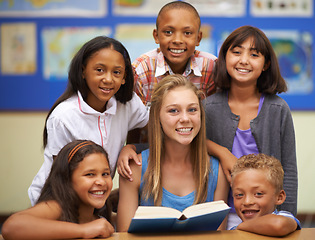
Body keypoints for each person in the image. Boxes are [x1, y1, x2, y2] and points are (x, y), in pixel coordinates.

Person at [28, 36, 149, 206]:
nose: (108, 79)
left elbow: (155, 131)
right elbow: (60, 178)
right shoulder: (64, 116)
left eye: (116, 72)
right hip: (56, 199)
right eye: (99, 70)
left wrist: (132, 147)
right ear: (83, 71)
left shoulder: (128, 104)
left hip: (95, 198)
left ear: (124, 77)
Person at [204, 25, 298, 229]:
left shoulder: (278, 108)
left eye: (254, 54)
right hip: (220, 213)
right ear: (224, 58)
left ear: (266, 64)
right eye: (236, 52)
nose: (244, 60)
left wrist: (287, 214)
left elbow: (288, 168)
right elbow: (190, 144)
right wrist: (221, 152)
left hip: (267, 213)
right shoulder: (209, 107)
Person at [117, 0, 217, 180]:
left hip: (198, 154)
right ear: (156, 36)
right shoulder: (141, 69)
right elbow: (134, 125)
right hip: (152, 155)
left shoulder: (211, 67)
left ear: (198, 38)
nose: (177, 40)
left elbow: (214, 117)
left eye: (187, 33)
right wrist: (132, 153)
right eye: (168, 32)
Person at [116, 74, 229, 232]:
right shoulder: (134, 168)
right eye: (173, 111)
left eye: (192, 110)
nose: (185, 118)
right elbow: (124, 236)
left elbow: (219, 236)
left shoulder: (217, 172)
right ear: (157, 117)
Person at [2, 140, 115, 239]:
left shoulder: (100, 215)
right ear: (67, 179)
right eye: (90, 174)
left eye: (105, 174)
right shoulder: (57, 207)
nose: (101, 181)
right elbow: (11, 226)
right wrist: (84, 230)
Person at [230, 153, 301, 236]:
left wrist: (241, 226)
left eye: (258, 194)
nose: (247, 202)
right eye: (239, 195)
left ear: (279, 197)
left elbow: (278, 224)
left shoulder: (283, 216)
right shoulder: (235, 230)